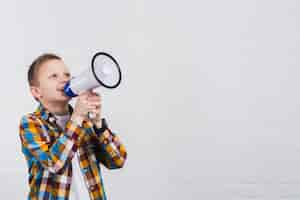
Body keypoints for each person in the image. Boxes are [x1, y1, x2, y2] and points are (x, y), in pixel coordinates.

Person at [19, 53, 127, 200]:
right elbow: (55, 165)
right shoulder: (31, 123)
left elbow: (118, 161)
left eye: (67, 74)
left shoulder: (85, 122)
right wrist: (76, 118)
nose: (64, 79)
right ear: (37, 91)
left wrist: (98, 124)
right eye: (54, 76)